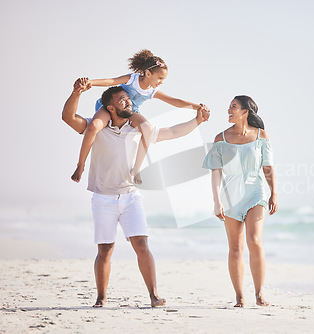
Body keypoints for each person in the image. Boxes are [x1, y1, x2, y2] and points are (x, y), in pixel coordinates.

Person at [62, 78, 210, 307]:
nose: (129, 102)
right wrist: (76, 94)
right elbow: (68, 118)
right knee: (105, 249)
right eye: (123, 100)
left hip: (131, 196)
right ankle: (101, 298)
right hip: (103, 197)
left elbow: (172, 132)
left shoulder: (138, 130)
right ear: (110, 108)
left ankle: (154, 295)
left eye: (129, 99)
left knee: (141, 244)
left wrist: (197, 121)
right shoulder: (97, 126)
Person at [71, 49, 205, 185]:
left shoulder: (152, 91)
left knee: (147, 128)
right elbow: (111, 81)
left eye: (163, 79)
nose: (161, 82)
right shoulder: (132, 79)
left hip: (131, 112)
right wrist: (90, 83)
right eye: (160, 78)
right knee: (93, 126)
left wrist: (197, 107)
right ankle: (80, 165)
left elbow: (174, 101)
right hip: (113, 107)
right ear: (148, 73)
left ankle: (136, 169)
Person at [202, 95, 277, 307]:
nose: (228, 110)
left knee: (255, 241)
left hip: (256, 193)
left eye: (233, 107)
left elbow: (268, 168)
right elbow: (216, 172)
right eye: (229, 107)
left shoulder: (261, 136)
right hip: (230, 197)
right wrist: (217, 201)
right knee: (235, 248)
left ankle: (260, 293)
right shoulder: (220, 139)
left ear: (245, 112)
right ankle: (239, 296)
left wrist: (274, 193)